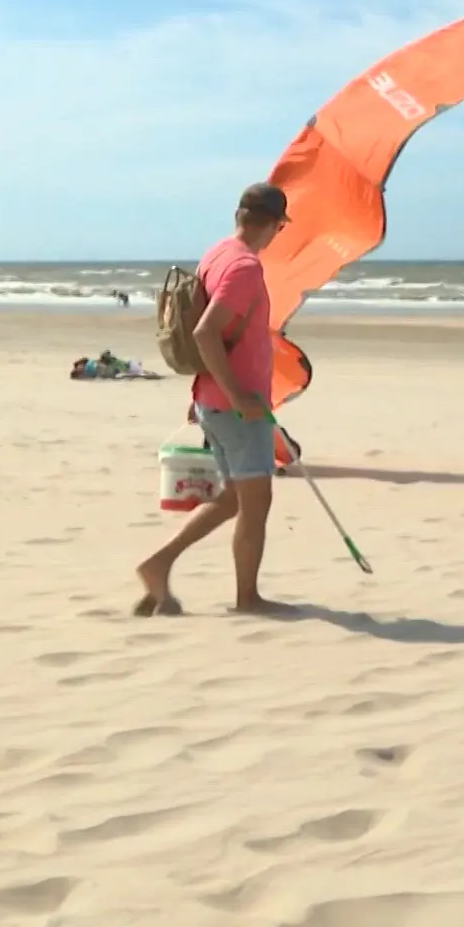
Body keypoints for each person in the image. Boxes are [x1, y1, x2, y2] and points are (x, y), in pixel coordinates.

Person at [136, 183, 290, 616]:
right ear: (276, 225)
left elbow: (206, 332)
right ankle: (248, 599)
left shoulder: (218, 253)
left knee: (233, 499)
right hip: (236, 406)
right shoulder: (243, 267)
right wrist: (240, 394)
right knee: (254, 504)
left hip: (215, 399)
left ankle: (158, 563)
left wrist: (208, 390)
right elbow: (204, 331)